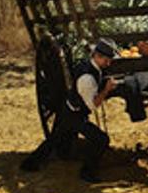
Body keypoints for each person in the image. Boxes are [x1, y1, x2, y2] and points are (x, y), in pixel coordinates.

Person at [20, 38, 119, 183]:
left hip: (70, 110)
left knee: (55, 138)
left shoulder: (92, 67)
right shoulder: (86, 78)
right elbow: (93, 105)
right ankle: (87, 173)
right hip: (75, 114)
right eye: (106, 60)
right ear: (97, 56)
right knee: (101, 140)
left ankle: (29, 163)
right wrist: (106, 90)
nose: (108, 63)